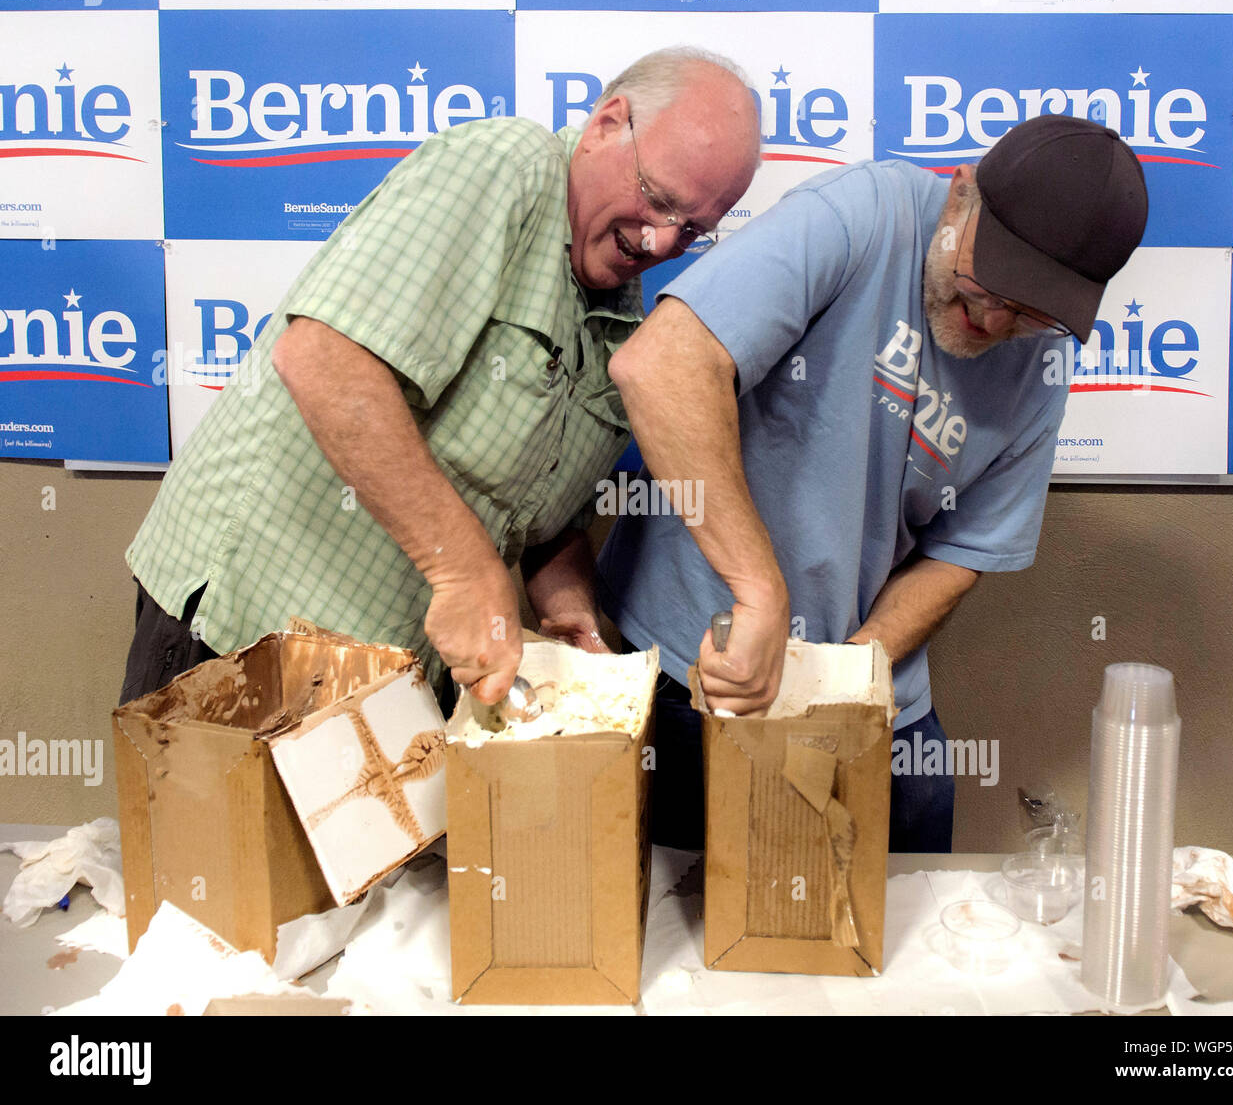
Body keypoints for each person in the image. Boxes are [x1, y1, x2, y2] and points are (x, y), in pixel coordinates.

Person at [118, 47, 760, 708]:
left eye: (691, 231)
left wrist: (566, 602)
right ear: (606, 124)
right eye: (657, 198)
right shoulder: (506, 166)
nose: (658, 242)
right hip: (244, 627)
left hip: (378, 679)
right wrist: (461, 567)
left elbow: (533, 513)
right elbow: (321, 358)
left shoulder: (622, 322)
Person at [597, 114, 1149, 850]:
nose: (993, 317)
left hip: (862, 673)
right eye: (989, 283)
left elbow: (962, 553)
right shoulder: (863, 214)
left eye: (1030, 310)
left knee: (906, 917)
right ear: (960, 197)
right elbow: (660, 366)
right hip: (697, 659)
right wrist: (760, 592)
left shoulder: (1041, 359)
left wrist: (839, 682)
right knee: (689, 941)